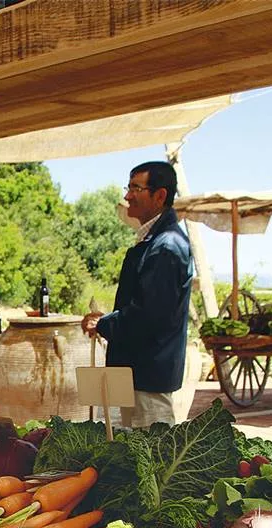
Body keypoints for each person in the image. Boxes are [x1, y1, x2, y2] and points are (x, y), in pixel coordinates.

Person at [82, 161, 193, 428]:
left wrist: (105, 323)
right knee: (135, 457)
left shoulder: (165, 247)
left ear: (160, 196)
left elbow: (149, 315)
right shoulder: (154, 242)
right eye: (128, 187)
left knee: (153, 460)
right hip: (139, 373)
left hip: (148, 377)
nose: (128, 196)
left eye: (136, 188)